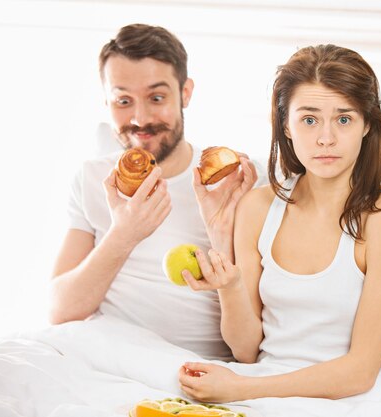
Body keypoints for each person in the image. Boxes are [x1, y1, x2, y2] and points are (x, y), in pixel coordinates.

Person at [177, 44, 381, 402]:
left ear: (367, 124)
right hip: (260, 387)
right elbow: (246, 351)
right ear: (285, 126)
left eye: (344, 118)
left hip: (349, 400)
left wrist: (241, 388)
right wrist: (230, 286)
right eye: (309, 119)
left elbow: (360, 372)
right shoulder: (258, 207)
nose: (325, 138)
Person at [48, 23, 257, 360]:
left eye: (156, 97)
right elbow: (59, 311)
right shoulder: (91, 177)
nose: (140, 118)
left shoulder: (228, 184)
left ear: (185, 93)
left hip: (197, 368)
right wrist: (123, 235)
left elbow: (248, 348)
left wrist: (223, 233)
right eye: (123, 100)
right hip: (105, 356)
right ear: (106, 99)